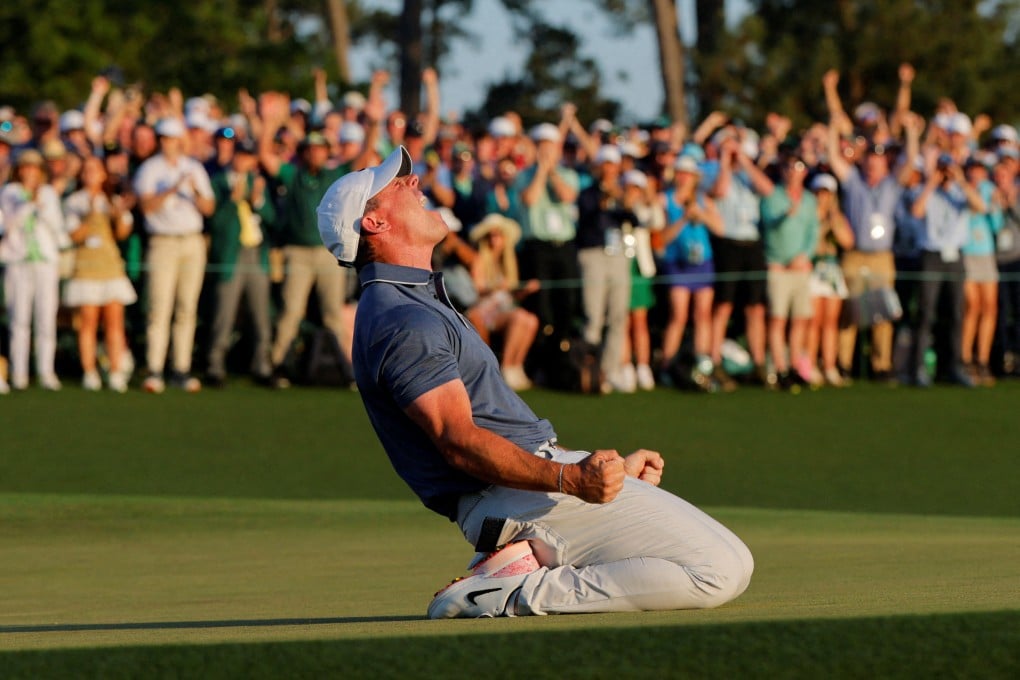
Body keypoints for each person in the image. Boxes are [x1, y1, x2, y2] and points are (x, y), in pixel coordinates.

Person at [315, 146, 753, 619]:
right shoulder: (403, 317)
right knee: (718, 569)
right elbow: (459, 443)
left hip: (526, 486)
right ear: (373, 224)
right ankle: (504, 593)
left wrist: (601, 471)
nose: (415, 183)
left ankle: (519, 566)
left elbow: (497, 429)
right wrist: (570, 478)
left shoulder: (411, 301)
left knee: (731, 558)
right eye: (398, 185)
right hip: (508, 499)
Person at [134, 117, 215, 393]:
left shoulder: (193, 168)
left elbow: (208, 207)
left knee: (186, 308)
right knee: (159, 307)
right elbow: (146, 207)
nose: (168, 143)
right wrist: (171, 189)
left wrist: (191, 190)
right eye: (164, 138)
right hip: (163, 243)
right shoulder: (149, 169)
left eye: (172, 138)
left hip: (191, 242)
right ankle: (155, 369)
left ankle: (181, 368)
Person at [909, 152, 987, 387]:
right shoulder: (925, 190)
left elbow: (980, 207)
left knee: (956, 313)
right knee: (926, 312)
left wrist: (960, 180)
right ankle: (919, 368)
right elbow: (917, 211)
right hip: (932, 255)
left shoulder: (959, 191)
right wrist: (932, 182)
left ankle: (955, 366)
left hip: (955, 256)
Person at [62, 155, 138, 392]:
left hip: (110, 266)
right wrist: (91, 214)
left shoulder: (112, 201)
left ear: (104, 174)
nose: (91, 175)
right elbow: (74, 235)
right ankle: (90, 371)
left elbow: (123, 232)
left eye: (95, 170)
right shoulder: (74, 202)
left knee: (114, 322)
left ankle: (116, 371)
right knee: (88, 321)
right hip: (85, 267)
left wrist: (116, 212)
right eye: (87, 171)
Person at [205, 138, 276, 387]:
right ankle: (215, 366)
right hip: (230, 254)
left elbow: (272, 220)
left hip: (256, 253)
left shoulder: (258, 183)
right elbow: (215, 222)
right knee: (223, 313)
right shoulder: (218, 182)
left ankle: (262, 366)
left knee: (260, 314)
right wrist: (231, 201)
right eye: (240, 155)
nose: (243, 161)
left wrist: (257, 200)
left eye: (248, 156)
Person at [0, 149, 67, 390]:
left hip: (45, 262)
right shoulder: (9, 193)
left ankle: (46, 371)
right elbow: (9, 223)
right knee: (19, 318)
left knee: (46, 317)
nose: (30, 172)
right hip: (18, 262)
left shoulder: (48, 193)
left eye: (34, 168)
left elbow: (56, 226)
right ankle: (19, 373)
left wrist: (40, 202)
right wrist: (28, 203)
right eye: (25, 167)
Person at [658, 154, 725, 390]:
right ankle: (667, 365)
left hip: (702, 263)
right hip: (677, 263)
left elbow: (720, 228)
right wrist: (684, 219)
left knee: (703, 315)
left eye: (688, 174)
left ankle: (701, 365)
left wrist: (702, 215)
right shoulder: (665, 200)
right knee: (678, 315)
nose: (684, 178)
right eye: (681, 173)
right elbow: (661, 239)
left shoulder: (702, 200)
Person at [575, 144, 633, 392]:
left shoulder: (623, 193)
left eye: (613, 164)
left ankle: (609, 371)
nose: (609, 169)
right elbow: (587, 217)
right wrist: (604, 197)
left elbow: (634, 219)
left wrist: (619, 197)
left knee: (619, 315)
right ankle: (591, 370)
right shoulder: (587, 193)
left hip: (618, 256)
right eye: (605, 164)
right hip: (593, 255)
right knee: (593, 316)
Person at [760, 153, 819, 390]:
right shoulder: (772, 197)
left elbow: (813, 233)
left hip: (801, 268)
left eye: (798, 167)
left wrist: (805, 256)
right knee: (777, 319)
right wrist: (786, 215)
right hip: (778, 267)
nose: (793, 171)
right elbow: (770, 227)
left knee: (800, 320)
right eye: (788, 166)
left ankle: (795, 366)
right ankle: (780, 368)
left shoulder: (809, 200)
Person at [465, 213, 540, 391]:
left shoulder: (508, 263)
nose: (494, 239)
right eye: (490, 235)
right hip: (485, 311)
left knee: (531, 320)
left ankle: (516, 365)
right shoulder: (479, 259)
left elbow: (511, 296)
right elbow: (478, 290)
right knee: (520, 317)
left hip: (503, 309)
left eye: (497, 235)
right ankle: (507, 366)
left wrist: (524, 290)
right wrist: (497, 288)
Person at [805, 173, 854, 387]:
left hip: (832, 269)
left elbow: (848, 242)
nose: (823, 197)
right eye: (819, 193)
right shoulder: (809, 215)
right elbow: (810, 245)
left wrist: (834, 223)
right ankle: (810, 364)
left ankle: (830, 366)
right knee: (813, 321)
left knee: (830, 321)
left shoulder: (837, 217)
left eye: (826, 193)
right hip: (814, 268)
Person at [959, 156, 1002, 386]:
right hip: (966, 253)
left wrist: (996, 206)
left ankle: (982, 360)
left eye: (979, 170)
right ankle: (965, 359)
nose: (976, 174)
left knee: (990, 307)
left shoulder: (989, 190)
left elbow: (996, 224)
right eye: (972, 170)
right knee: (972, 306)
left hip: (986, 254)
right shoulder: (959, 189)